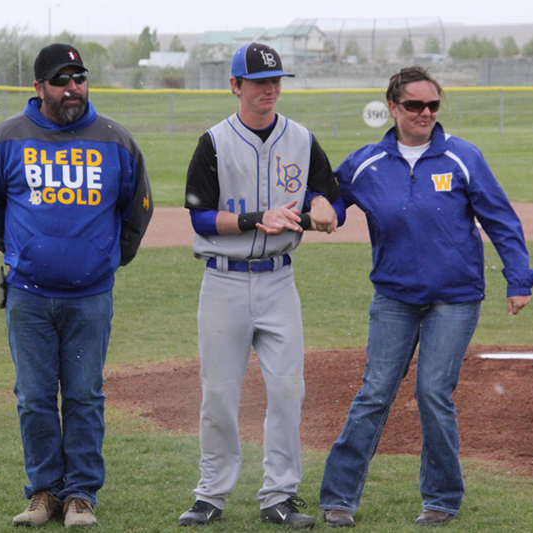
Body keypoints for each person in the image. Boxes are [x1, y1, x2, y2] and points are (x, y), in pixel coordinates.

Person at [318, 66, 533, 528]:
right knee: (374, 392)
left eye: (433, 105)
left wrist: (519, 278)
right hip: (395, 298)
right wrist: (322, 209)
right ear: (394, 108)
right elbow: (332, 199)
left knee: (433, 392)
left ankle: (440, 500)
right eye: (415, 105)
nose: (426, 113)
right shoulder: (367, 163)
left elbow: (500, 219)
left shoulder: (462, 157)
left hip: (454, 299)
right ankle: (338, 497)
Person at [0, 43, 153, 529]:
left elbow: (137, 210)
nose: (73, 88)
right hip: (28, 297)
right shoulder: (6, 138)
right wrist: (23, 254)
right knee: (33, 397)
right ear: (39, 88)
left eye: (79, 77)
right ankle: (43, 493)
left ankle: (80, 495)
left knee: (84, 397)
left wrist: (105, 261)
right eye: (61, 80)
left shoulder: (115, 139)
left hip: (90, 298)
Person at [178, 42, 345, 529]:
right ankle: (211, 494)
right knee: (219, 394)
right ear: (235, 86)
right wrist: (256, 219)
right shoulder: (214, 141)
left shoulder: (302, 138)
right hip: (224, 283)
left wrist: (323, 206)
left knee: (288, 390)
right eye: (259, 82)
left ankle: (279, 495)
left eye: (276, 81)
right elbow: (200, 217)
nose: (270, 90)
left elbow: (326, 195)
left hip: (278, 282)